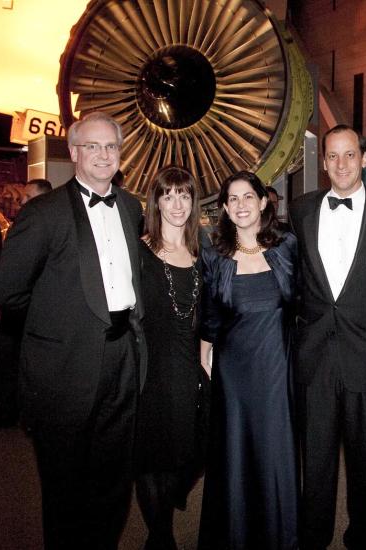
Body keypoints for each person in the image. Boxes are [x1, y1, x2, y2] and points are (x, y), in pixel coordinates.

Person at [0, 111, 146, 550]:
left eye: (111, 147)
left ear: (120, 154)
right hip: (63, 369)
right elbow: (7, 290)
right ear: (75, 153)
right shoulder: (43, 213)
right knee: (65, 487)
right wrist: (59, 324)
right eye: (93, 146)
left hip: (123, 359)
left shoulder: (132, 208)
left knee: (114, 481)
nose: (103, 155)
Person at [289, 124, 366, 550]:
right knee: (316, 459)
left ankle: (363, 535)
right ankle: (313, 536)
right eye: (332, 156)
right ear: (323, 163)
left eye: (349, 155)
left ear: (364, 158)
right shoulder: (300, 209)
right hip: (315, 356)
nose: (341, 164)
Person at [198, 170, 298, 550]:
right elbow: (210, 314)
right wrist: (205, 355)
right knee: (235, 450)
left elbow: (302, 301)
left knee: (275, 449)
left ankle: (279, 536)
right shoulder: (215, 253)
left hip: (275, 363)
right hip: (233, 370)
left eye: (247, 197)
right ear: (224, 208)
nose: (240, 205)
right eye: (232, 199)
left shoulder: (286, 244)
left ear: (262, 202)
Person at [135, 165, 207, 550]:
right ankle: (159, 537)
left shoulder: (202, 253)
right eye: (168, 194)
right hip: (150, 371)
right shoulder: (140, 252)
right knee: (151, 459)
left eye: (184, 195)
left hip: (190, 370)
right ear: (156, 201)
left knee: (190, 452)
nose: (176, 203)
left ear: (193, 201)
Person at [0, 177, 52, 430]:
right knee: (9, 362)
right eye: (22, 198)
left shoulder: (48, 231)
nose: (21, 202)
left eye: (28, 198)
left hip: (32, 314)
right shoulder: (21, 226)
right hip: (15, 313)